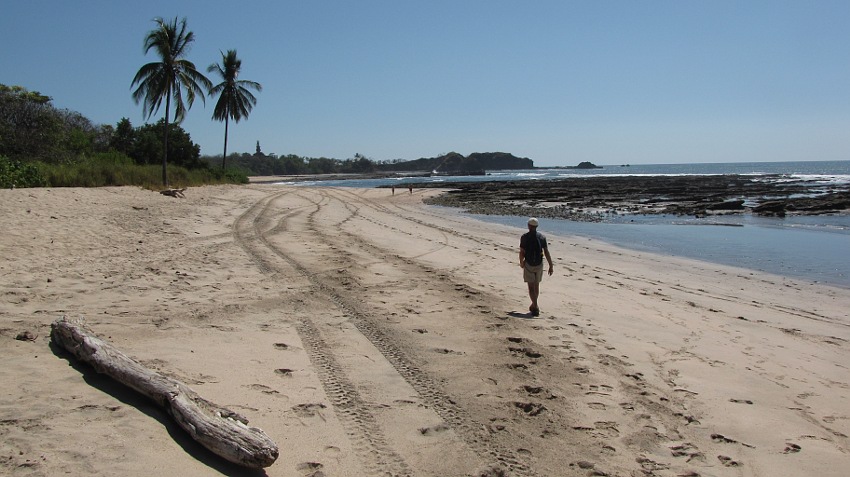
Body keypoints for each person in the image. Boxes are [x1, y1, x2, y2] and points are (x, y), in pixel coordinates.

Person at [519, 217, 553, 316]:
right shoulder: (542, 237)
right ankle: (534, 305)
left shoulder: (524, 237)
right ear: (537, 226)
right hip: (539, 264)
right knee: (536, 285)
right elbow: (546, 252)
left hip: (529, 263)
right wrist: (551, 265)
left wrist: (521, 262)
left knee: (530, 286)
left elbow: (522, 252)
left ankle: (535, 305)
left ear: (529, 226)